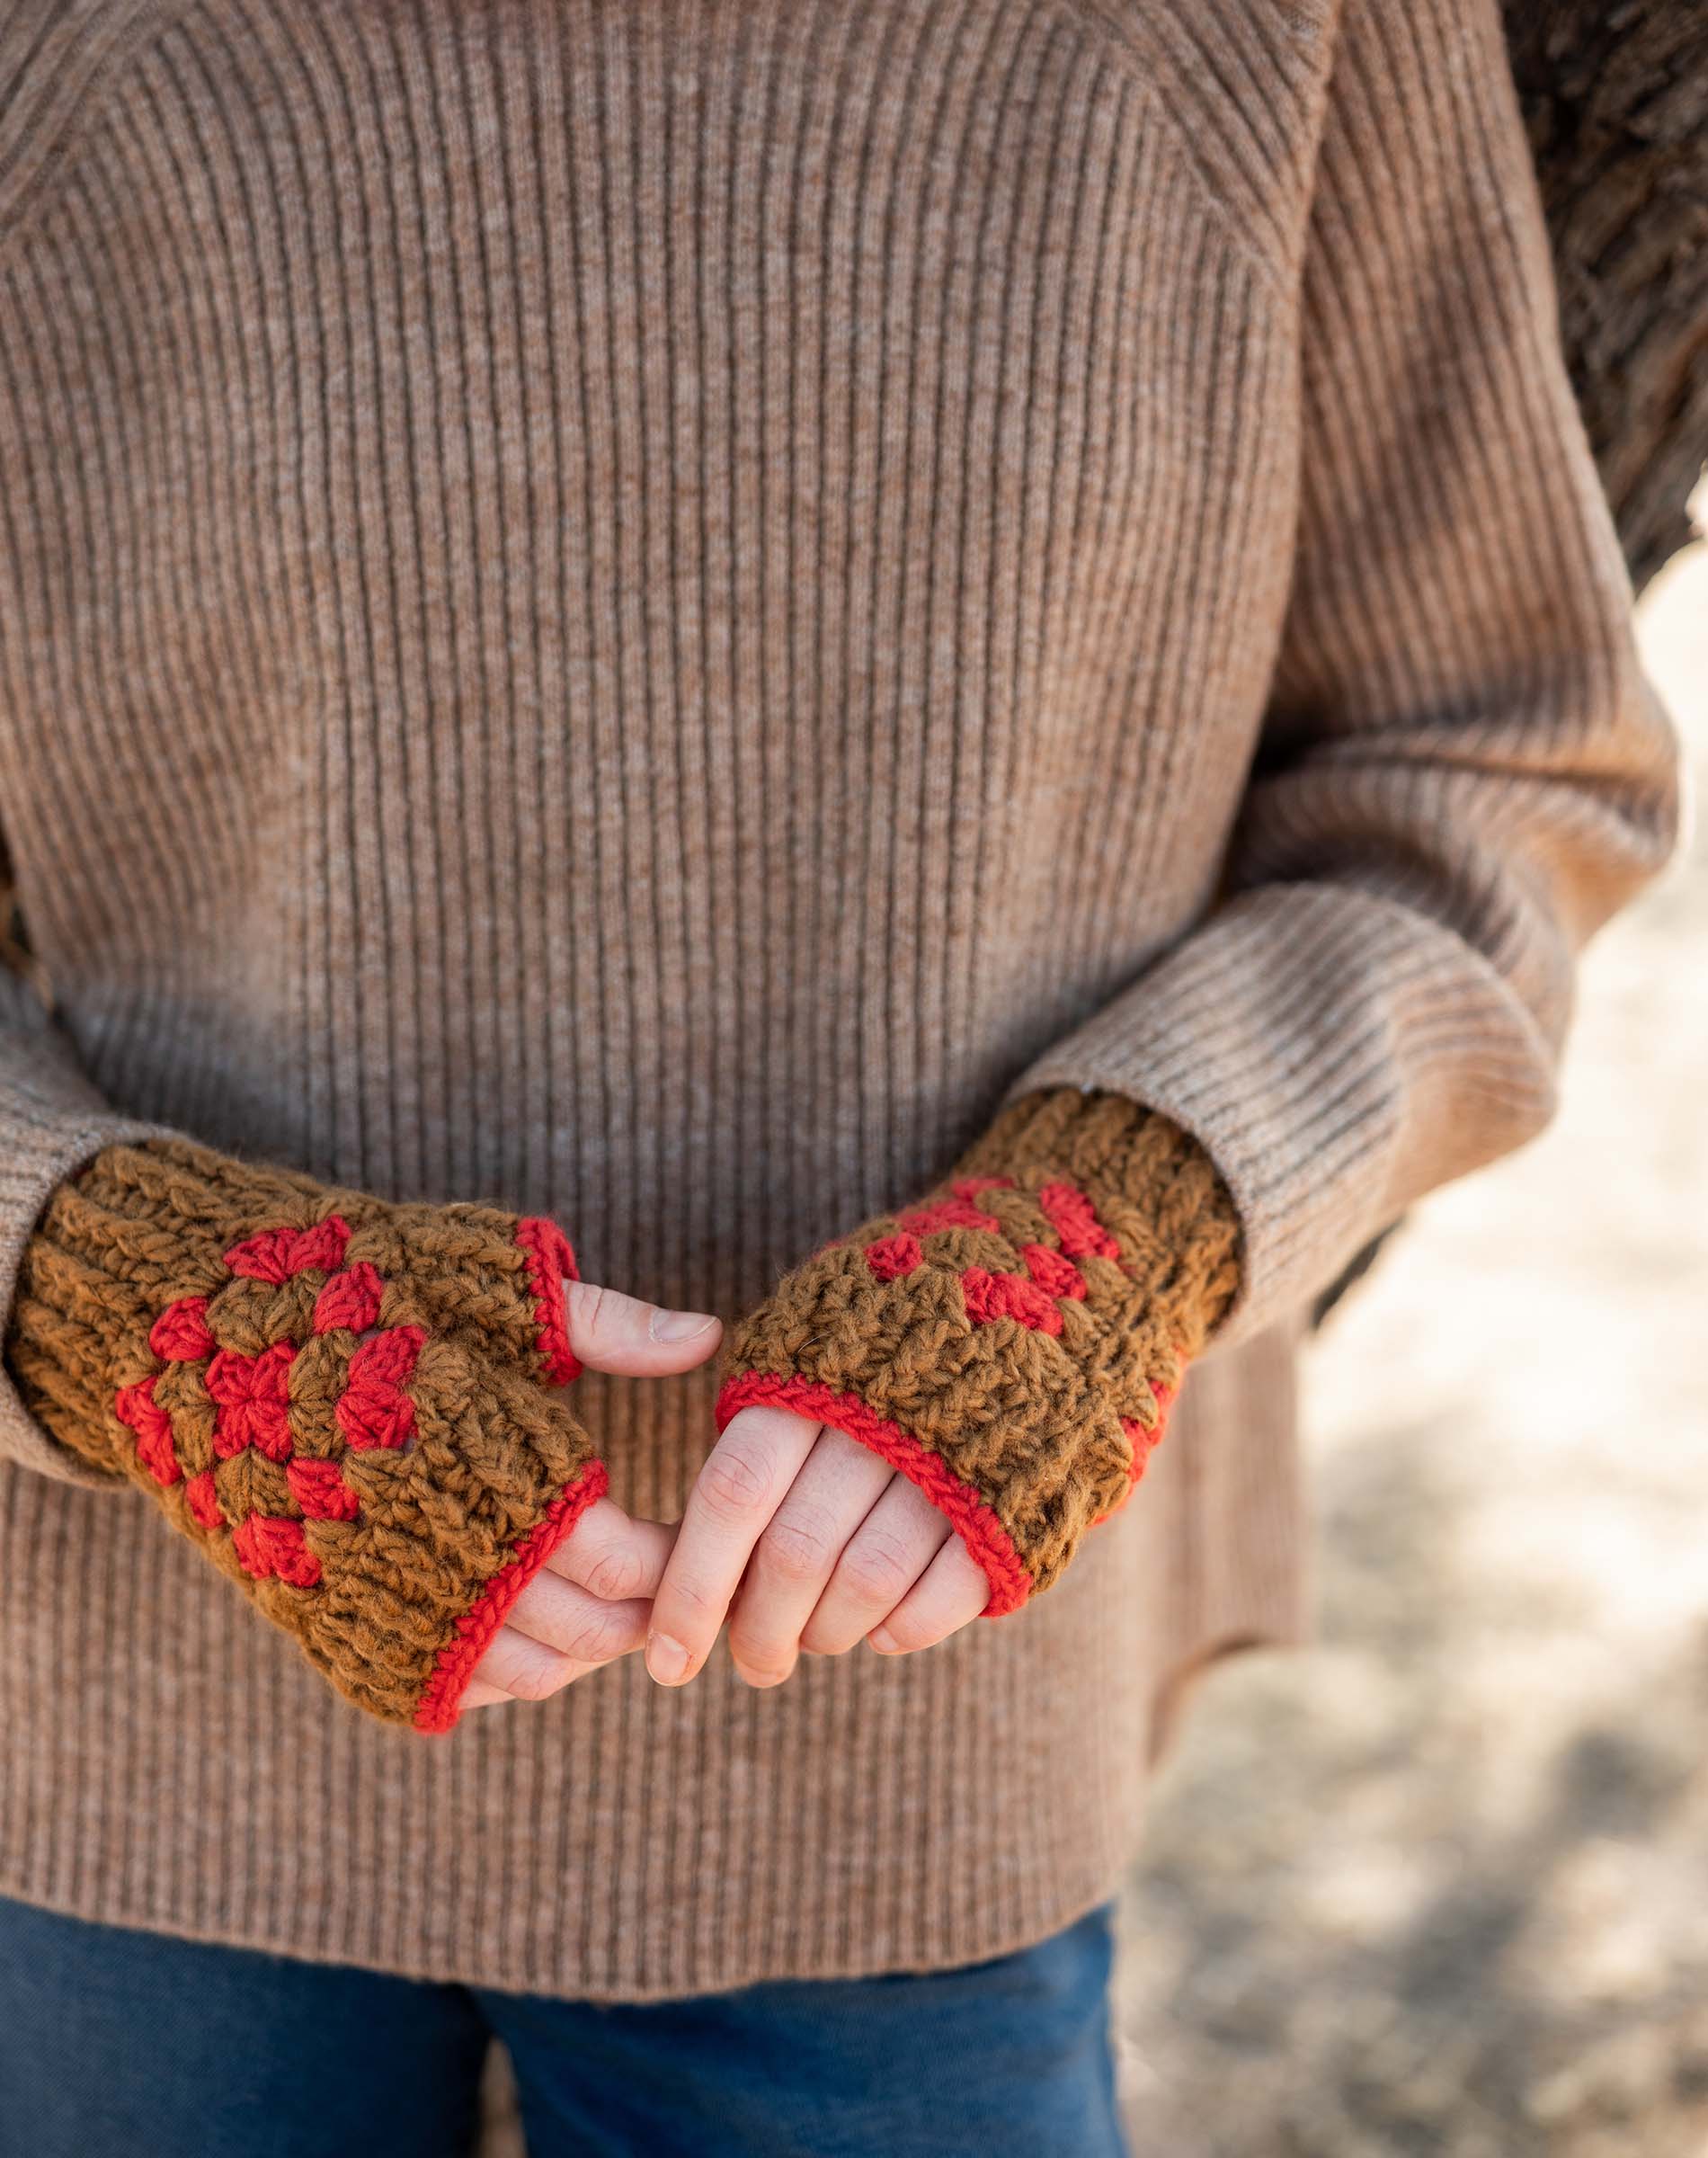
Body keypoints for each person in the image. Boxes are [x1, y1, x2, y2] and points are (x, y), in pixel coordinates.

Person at [0, 0, 1679, 2150]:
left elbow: (1489, 768)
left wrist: (1120, 1225)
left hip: (900, 1763)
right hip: (128, 1716)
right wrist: (112, 1286)